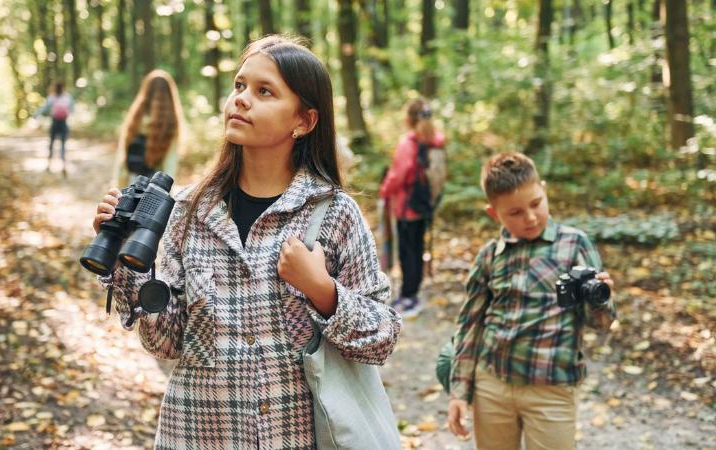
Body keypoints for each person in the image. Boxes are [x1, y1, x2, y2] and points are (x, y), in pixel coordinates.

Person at [91, 35, 402, 448]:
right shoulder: (188, 211)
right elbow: (164, 342)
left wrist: (323, 291)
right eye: (239, 85)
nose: (241, 99)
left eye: (264, 91)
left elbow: (382, 338)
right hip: (199, 436)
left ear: (304, 121)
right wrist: (128, 267)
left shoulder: (334, 214)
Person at [446, 152, 616, 450]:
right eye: (514, 212)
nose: (531, 217)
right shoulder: (489, 256)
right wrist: (459, 392)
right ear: (493, 213)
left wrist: (601, 299)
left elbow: (602, 322)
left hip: (551, 388)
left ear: (544, 190)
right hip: (492, 385)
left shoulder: (574, 244)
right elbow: (469, 324)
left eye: (536, 203)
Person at [379, 98, 446, 318]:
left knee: (407, 251)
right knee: (417, 249)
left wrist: (384, 191)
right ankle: (413, 292)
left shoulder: (408, 143)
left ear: (409, 119)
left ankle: (408, 297)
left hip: (406, 207)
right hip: (424, 204)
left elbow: (399, 174)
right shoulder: (434, 141)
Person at [113, 69, 185, 188]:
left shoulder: (135, 119)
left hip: (131, 184)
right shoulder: (171, 124)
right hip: (155, 188)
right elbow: (169, 167)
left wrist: (118, 188)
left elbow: (123, 160)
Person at [34, 82, 74, 176]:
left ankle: (49, 165)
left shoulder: (52, 97)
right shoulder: (67, 97)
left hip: (55, 122)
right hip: (63, 123)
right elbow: (72, 109)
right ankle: (63, 166)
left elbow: (45, 108)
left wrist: (36, 114)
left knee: (51, 143)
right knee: (63, 145)